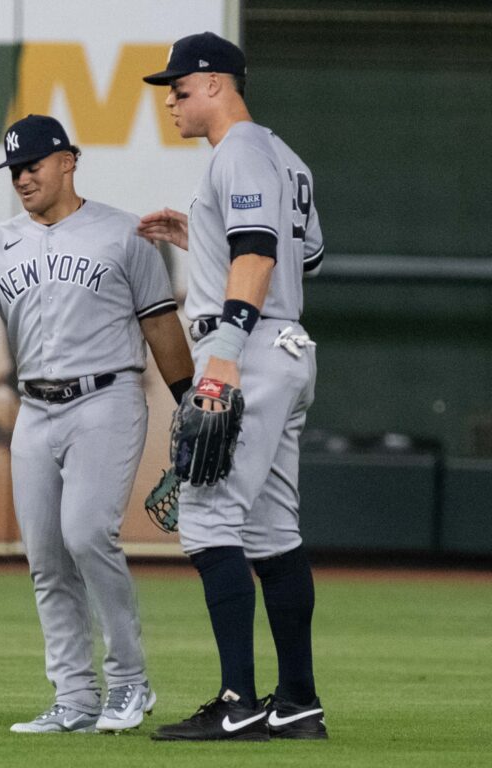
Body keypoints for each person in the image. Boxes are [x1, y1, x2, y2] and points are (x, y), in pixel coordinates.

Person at [0, 113, 194, 733]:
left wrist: (187, 404)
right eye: (14, 169)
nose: (22, 178)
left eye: (33, 165)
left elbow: (160, 324)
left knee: (85, 534)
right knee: (46, 555)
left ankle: (129, 681)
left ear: (68, 161)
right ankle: (74, 698)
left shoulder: (124, 234)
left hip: (106, 398)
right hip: (36, 409)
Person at [138, 32, 327, 741]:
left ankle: (238, 703)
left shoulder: (240, 149)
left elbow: (260, 251)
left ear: (216, 83)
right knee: (273, 531)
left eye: (180, 89)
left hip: (249, 348)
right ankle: (298, 701)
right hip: (288, 348)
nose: (173, 102)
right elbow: (307, 250)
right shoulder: (285, 156)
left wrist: (222, 351)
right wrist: (206, 236)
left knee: (209, 523)